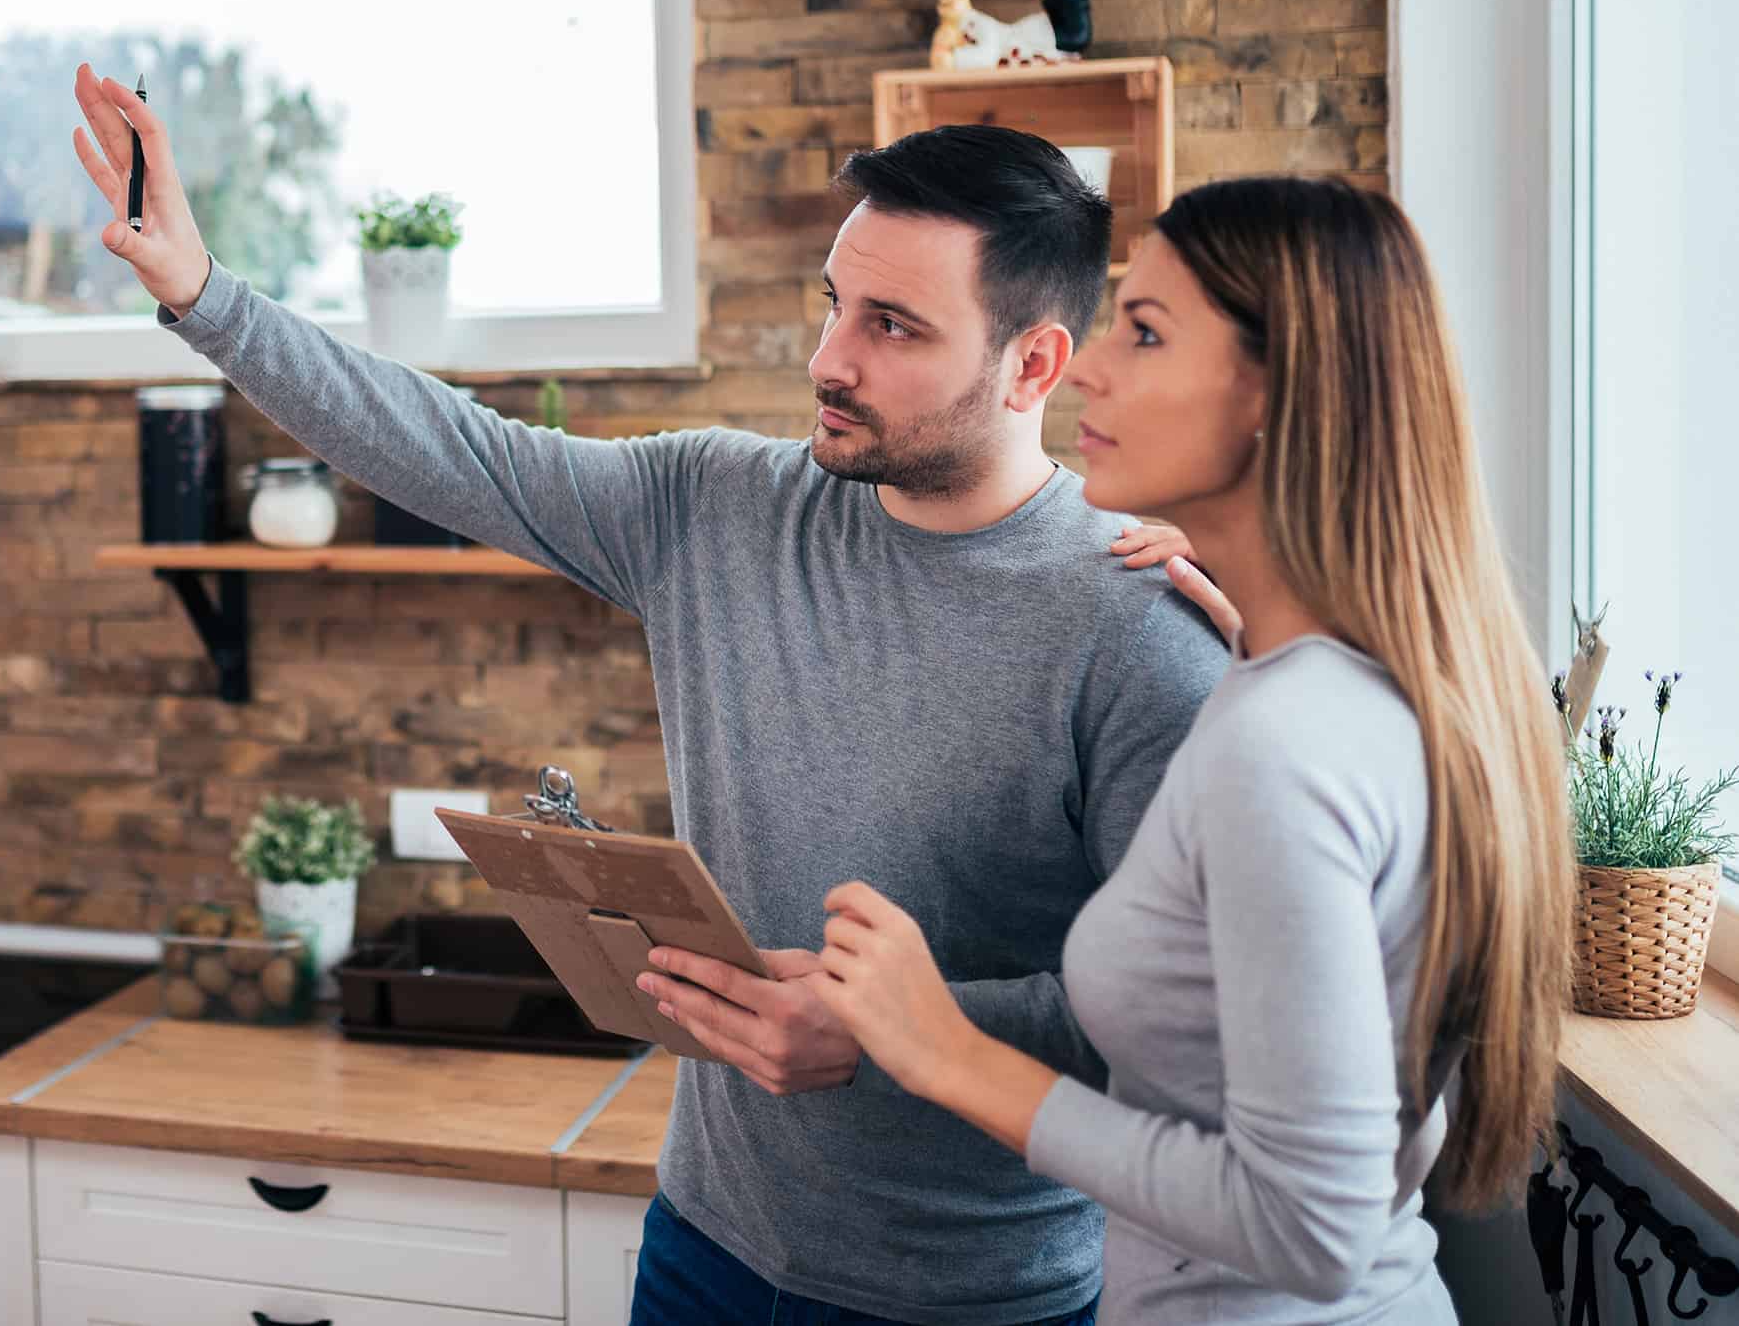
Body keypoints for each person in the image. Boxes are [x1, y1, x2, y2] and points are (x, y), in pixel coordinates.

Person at [72, 64, 1232, 1326]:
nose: (826, 359)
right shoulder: (715, 506)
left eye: (892, 327)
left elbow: (1179, 1017)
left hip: (975, 1299)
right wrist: (203, 293)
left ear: (1033, 364)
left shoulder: (1137, 626)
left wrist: (892, 1028)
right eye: (834, 304)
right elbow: (449, 448)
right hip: (705, 1250)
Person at [810, 177, 1576, 1324]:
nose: (1089, 367)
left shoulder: (1285, 745)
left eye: (1147, 332)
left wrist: (943, 1049)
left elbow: (1308, 1227)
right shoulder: (1343, 685)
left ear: (1280, 395)